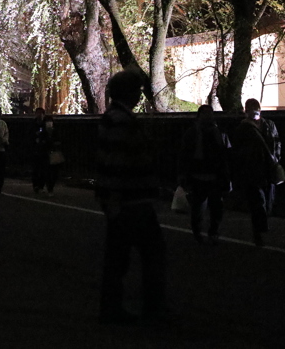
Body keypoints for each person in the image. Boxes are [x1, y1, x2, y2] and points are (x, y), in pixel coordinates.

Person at [95, 69, 167, 325]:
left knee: (118, 258)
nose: (140, 95)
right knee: (152, 255)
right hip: (131, 200)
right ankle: (152, 309)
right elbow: (119, 162)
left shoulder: (111, 118)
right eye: (137, 90)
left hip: (122, 200)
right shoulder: (122, 121)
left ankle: (112, 308)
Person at [229, 98, 281, 247]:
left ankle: (261, 227)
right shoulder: (243, 129)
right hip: (252, 170)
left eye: (255, 107)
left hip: (268, 169)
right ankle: (258, 232)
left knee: (268, 201)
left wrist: (276, 159)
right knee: (257, 202)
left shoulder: (269, 125)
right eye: (250, 108)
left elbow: (277, 143)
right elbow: (237, 150)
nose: (253, 111)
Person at [177, 105, 231, 244]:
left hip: (214, 174)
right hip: (198, 174)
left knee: (216, 207)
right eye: (205, 114)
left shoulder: (218, 132)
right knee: (198, 207)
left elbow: (226, 154)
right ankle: (198, 231)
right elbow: (185, 154)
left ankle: (212, 231)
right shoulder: (194, 133)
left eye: (210, 114)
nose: (208, 117)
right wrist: (184, 174)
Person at [30, 109, 60, 195]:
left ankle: (46, 186)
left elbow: (54, 135)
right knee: (37, 169)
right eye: (37, 113)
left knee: (47, 170)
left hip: (47, 150)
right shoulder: (34, 124)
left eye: (41, 114)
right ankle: (38, 186)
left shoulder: (47, 123)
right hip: (37, 150)